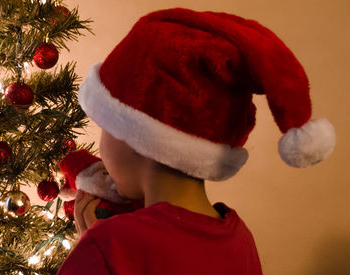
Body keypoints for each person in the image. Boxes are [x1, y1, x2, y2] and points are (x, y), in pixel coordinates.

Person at [57, 7, 335, 275]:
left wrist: (90, 250)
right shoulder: (240, 238)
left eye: (105, 124)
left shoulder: (109, 245)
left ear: (137, 137)